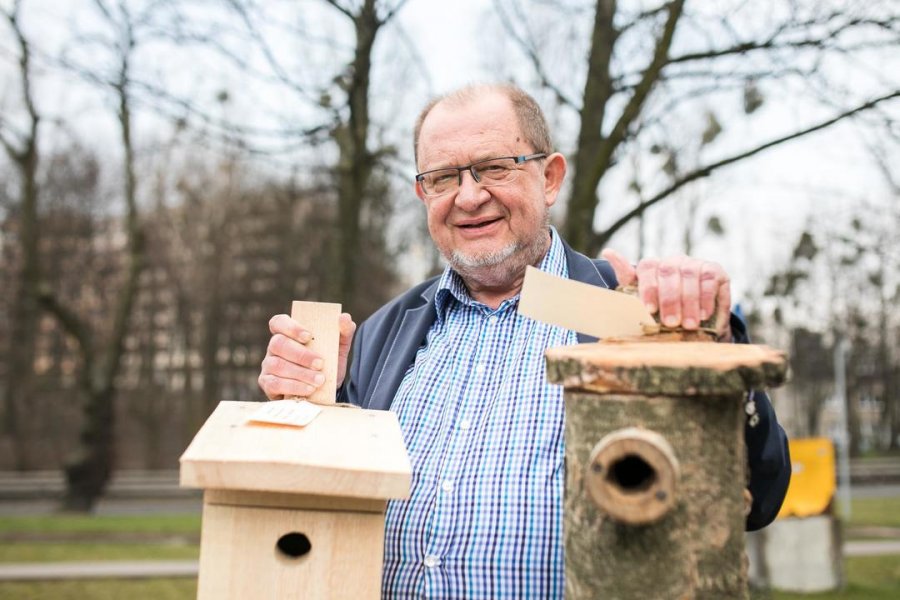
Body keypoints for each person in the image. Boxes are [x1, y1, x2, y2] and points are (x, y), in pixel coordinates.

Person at [259, 83, 790, 598]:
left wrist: (716, 358)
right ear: (423, 194)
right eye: (443, 177)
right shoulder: (383, 334)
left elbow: (758, 496)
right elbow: (320, 512)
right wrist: (313, 405)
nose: (469, 197)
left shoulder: (625, 315)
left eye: (493, 167)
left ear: (550, 177)